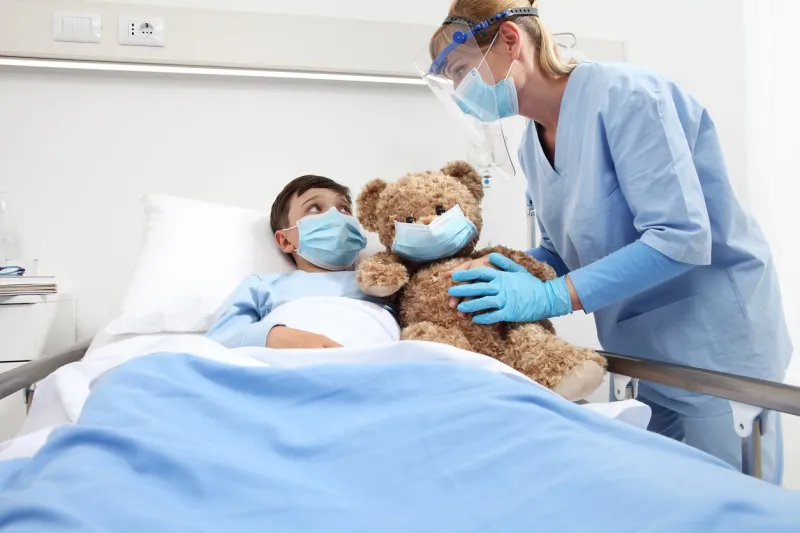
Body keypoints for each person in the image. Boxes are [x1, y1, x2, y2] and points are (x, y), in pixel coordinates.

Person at [424, 0, 792, 484]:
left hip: (713, 348)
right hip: (640, 351)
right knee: (660, 500)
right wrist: (510, 268)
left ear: (510, 40)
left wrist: (550, 296)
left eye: (462, 71)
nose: (460, 91)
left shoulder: (629, 96)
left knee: (730, 506)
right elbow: (561, 250)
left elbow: (679, 237)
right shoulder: (533, 145)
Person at [206, 175, 398, 350]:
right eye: (315, 208)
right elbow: (223, 335)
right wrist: (278, 336)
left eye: (344, 209)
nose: (336, 216)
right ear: (286, 241)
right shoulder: (265, 286)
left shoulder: (386, 282)